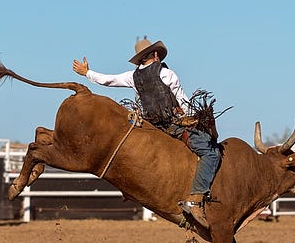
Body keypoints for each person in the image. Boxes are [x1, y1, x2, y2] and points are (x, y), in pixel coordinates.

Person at [72, 37, 220, 227]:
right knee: (211, 152)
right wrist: (196, 118)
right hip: (172, 126)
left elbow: (108, 80)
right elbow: (183, 102)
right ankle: (196, 199)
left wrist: (87, 73)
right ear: (156, 55)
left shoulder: (132, 77)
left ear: (141, 59)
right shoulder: (167, 74)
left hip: (150, 127)